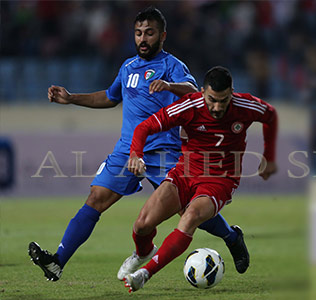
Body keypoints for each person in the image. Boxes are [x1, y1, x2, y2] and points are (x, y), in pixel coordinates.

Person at [28, 7, 249, 282]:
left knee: (188, 210)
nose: (143, 39)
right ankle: (58, 262)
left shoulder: (172, 65)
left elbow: (195, 92)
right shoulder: (128, 67)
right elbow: (110, 97)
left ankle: (231, 236)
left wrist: (168, 86)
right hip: (127, 150)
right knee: (95, 199)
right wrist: (72, 98)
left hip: (166, 151)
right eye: (138, 33)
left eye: (149, 33)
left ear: (162, 36)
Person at [121, 66, 278, 292]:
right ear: (203, 91)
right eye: (212, 100)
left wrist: (268, 156)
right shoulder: (189, 106)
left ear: (232, 93)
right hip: (185, 172)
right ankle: (143, 253)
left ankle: (145, 274)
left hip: (221, 179)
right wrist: (136, 154)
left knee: (191, 216)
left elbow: (270, 115)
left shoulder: (245, 106)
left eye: (223, 101)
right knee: (143, 225)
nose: (217, 107)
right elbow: (144, 127)